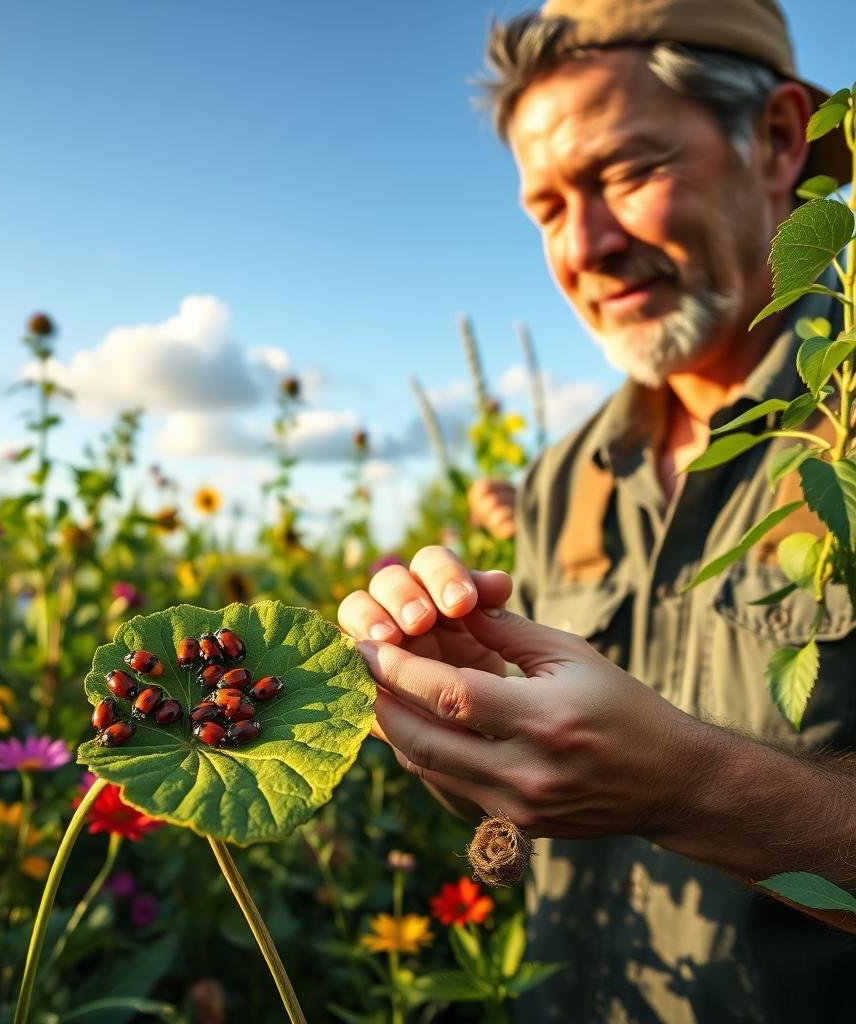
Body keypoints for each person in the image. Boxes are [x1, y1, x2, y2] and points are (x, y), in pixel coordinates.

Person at [337, 1, 856, 1021]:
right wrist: (452, 705)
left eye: (626, 171)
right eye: (545, 208)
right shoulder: (572, 471)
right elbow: (533, 790)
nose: (587, 245)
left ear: (777, 141)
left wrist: (695, 789)